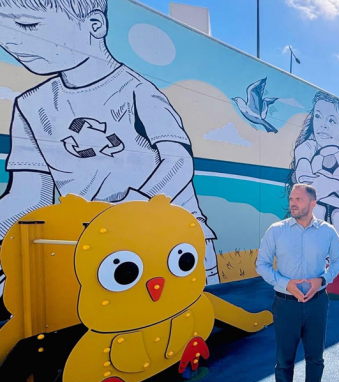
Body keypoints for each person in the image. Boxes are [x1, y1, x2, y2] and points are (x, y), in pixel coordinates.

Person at [0, 0, 220, 318]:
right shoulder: (31, 105)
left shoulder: (136, 90)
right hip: (104, 248)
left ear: (95, 25)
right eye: (4, 31)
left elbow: (178, 161)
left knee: (193, 321)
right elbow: (29, 195)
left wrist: (131, 210)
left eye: (28, 26)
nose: (12, 41)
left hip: (174, 243)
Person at [256, 184, 339, 382]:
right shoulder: (276, 230)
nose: (292, 203)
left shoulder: (327, 231)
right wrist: (286, 284)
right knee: (284, 362)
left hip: (317, 304)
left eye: (298, 199)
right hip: (285, 305)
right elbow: (261, 264)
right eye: (291, 198)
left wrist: (322, 280)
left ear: (312, 203)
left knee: (315, 358)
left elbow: (338, 261)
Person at [287, 91, 339, 260]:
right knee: (319, 209)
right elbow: (308, 188)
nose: (323, 125)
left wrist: (332, 185)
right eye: (318, 116)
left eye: (331, 120)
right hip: (312, 216)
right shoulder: (306, 149)